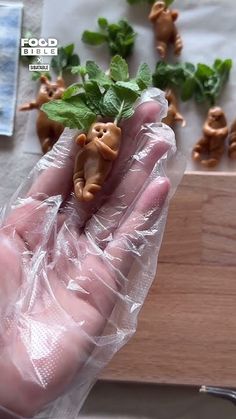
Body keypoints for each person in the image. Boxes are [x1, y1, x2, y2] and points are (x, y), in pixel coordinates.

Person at [0, 99, 174, 419]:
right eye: (98, 128)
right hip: (84, 178)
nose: (101, 131)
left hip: (90, 179)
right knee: (84, 182)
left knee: (90, 184)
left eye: (105, 130)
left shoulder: (105, 145)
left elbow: (105, 149)